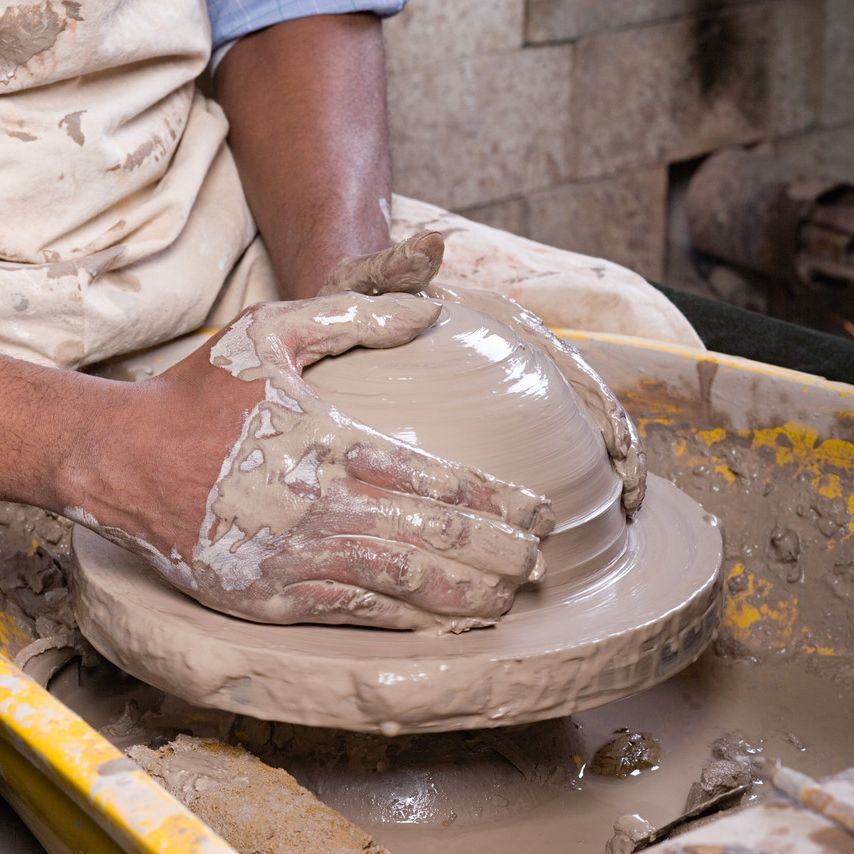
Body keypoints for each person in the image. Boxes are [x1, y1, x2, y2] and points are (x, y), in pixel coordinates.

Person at [0, 1, 648, 631]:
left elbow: (289, 14)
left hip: (183, 205)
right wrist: (93, 446)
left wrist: (348, 304)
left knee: (632, 332)